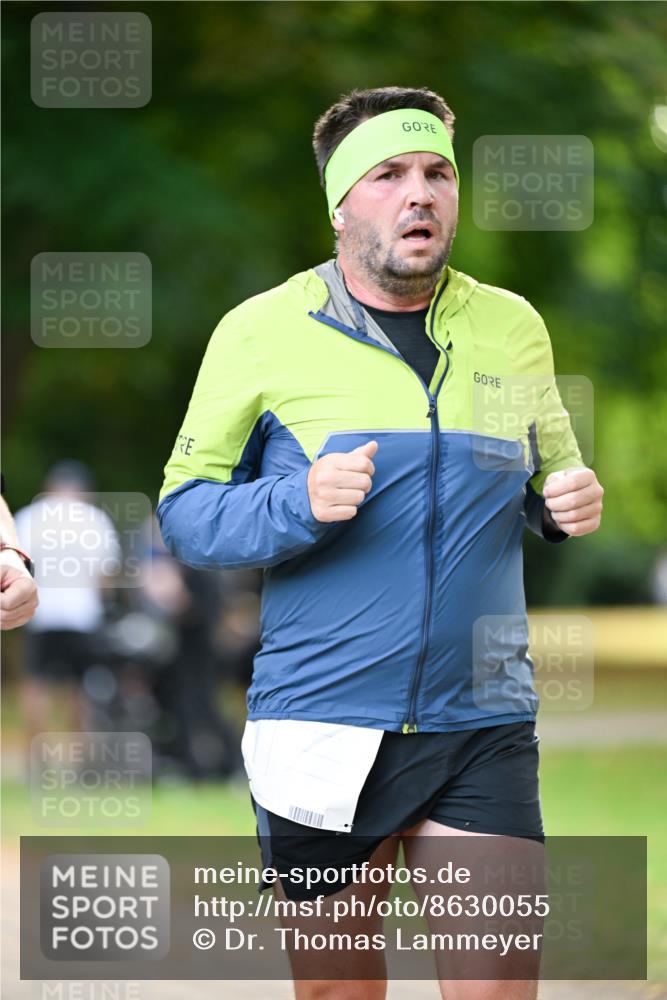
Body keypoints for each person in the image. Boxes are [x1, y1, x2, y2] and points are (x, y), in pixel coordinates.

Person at [158, 86, 604, 999]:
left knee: (497, 990)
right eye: (390, 173)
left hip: (481, 720)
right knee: (339, 990)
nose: (420, 192)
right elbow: (186, 511)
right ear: (339, 205)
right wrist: (296, 501)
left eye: (437, 172)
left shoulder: (512, 326)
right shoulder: (259, 332)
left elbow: (545, 476)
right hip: (320, 723)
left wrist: (560, 503)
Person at [14, 460, 121, 739]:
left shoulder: (29, 517)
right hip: (82, 614)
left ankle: (36, 749)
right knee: (81, 684)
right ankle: (79, 750)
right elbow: (106, 573)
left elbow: (16, 566)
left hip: (40, 613)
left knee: (36, 681)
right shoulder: (94, 519)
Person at [0, 475, 39, 630]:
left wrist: (8, 557)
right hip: (86, 618)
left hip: (38, 620)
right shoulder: (94, 518)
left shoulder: (28, 515)